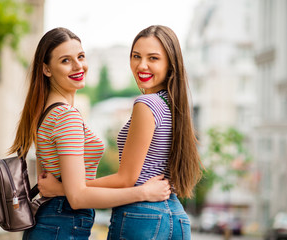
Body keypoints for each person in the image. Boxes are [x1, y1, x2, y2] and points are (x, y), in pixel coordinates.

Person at [39, 25, 204, 239]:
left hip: (142, 215)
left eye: (153, 58)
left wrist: (64, 188)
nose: (141, 65)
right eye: (136, 56)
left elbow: (126, 179)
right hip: (176, 215)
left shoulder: (147, 104)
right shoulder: (174, 107)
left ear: (170, 64)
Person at [8, 27, 171, 240]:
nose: (78, 66)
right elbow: (77, 197)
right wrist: (143, 193)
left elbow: (51, 180)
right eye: (65, 60)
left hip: (53, 222)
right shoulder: (66, 116)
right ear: (47, 69)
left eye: (81, 56)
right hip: (61, 224)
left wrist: (61, 189)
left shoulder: (48, 111)